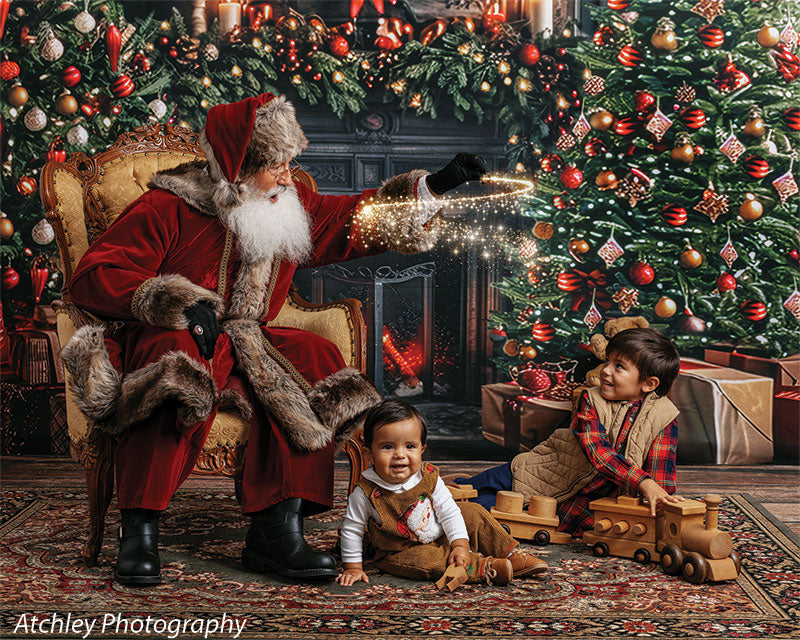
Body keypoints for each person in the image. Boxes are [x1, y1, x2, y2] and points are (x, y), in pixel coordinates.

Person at [59, 93, 489, 585]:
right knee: (174, 367)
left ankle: (277, 529)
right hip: (177, 338)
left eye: (289, 164)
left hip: (246, 341)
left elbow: (354, 219)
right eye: (276, 166)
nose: (288, 177)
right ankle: (139, 528)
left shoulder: (289, 203)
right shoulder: (167, 206)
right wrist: (177, 303)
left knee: (316, 356)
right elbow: (95, 276)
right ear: (237, 172)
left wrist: (435, 186)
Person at [452, 327, 684, 537]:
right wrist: (643, 482)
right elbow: (599, 452)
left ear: (649, 384)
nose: (605, 370)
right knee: (467, 489)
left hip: (579, 499)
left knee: (483, 513)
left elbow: (660, 477)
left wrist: (663, 501)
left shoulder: (664, 416)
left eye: (619, 367)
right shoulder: (590, 399)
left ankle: (457, 507)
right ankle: (449, 488)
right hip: (544, 469)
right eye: (607, 362)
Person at [336, 399, 547, 587]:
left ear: (422, 449)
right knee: (421, 561)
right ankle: (484, 567)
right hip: (401, 549)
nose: (400, 454)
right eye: (388, 447)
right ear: (369, 452)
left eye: (410, 446)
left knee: (472, 511)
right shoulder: (365, 492)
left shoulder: (428, 476)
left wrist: (460, 544)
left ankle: (510, 553)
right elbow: (352, 531)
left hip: (440, 532)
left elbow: (449, 512)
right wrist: (353, 567)